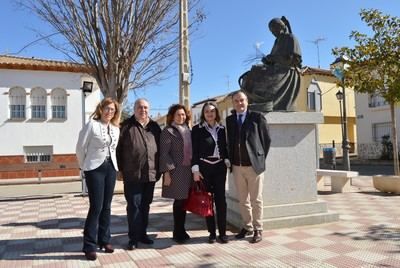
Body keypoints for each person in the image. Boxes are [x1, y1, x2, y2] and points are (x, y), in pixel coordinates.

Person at [76, 97, 121, 260]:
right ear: (101, 109)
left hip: (110, 168)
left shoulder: (116, 128)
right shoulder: (92, 125)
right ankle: (89, 245)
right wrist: (84, 166)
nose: (110, 112)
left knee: (107, 206)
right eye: (107, 108)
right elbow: (80, 148)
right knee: (96, 207)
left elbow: (114, 150)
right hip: (94, 168)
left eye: (113, 110)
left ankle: (105, 240)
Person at [226, 91, 271, 243]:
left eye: (242, 100)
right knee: (242, 200)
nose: (240, 103)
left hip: (253, 167)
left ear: (247, 101)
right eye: (236, 101)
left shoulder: (257, 117)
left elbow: (266, 140)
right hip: (237, 167)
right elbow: (230, 142)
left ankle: (258, 228)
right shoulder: (230, 120)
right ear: (233, 103)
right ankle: (247, 226)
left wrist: (259, 158)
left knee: (256, 199)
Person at [116, 98, 161, 250]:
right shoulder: (126, 126)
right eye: (140, 107)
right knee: (134, 206)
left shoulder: (155, 127)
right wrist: (120, 170)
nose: (143, 110)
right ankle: (133, 238)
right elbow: (118, 150)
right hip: (132, 174)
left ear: (149, 109)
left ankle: (143, 234)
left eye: (146, 107)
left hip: (151, 174)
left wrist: (160, 170)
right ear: (135, 109)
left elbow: (160, 150)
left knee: (145, 205)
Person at [239, 16, 302, 112]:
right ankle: (253, 101)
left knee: (257, 73)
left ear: (280, 27)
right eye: (271, 31)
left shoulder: (291, 38)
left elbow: (294, 59)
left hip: (286, 72)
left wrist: (273, 58)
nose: (273, 33)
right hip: (276, 69)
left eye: (274, 30)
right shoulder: (277, 41)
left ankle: (263, 101)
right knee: (250, 74)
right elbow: (273, 60)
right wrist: (268, 60)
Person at [191, 102, 230, 244]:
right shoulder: (196, 129)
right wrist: (195, 170)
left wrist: (226, 159)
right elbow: (194, 151)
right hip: (204, 168)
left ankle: (223, 233)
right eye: (207, 111)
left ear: (216, 113)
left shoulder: (222, 129)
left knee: (221, 201)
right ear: (203, 114)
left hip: (219, 168)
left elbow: (225, 147)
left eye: (212, 111)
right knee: (207, 202)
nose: (209, 113)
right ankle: (212, 233)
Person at [160, 104, 192, 243]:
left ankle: (182, 229)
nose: (181, 117)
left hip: (188, 170)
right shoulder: (168, 131)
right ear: (172, 116)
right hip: (176, 171)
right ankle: (177, 231)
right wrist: (167, 172)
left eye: (183, 114)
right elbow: (164, 153)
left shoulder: (188, 130)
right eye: (178, 114)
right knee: (179, 201)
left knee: (184, 201)